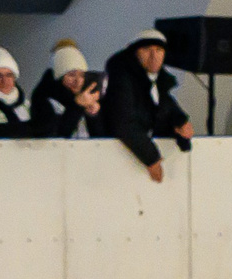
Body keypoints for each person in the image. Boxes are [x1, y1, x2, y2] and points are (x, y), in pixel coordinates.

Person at [99, 29, 193, 181]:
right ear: (135, 53)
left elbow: (165, 106)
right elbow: (123, 122)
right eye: (146, 49)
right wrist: (151, 158)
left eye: (158, 50)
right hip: (116, 161)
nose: (154, 56)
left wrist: (181, 123)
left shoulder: (159, 82)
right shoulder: (121, 80)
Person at [32, 41, 105, 139]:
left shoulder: (90, 94)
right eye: (71, 75)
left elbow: (101, 137)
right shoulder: (44, 98)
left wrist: (94, 115)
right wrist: (77, 106)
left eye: (81, 75)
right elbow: (56, 135)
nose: (78, 81)